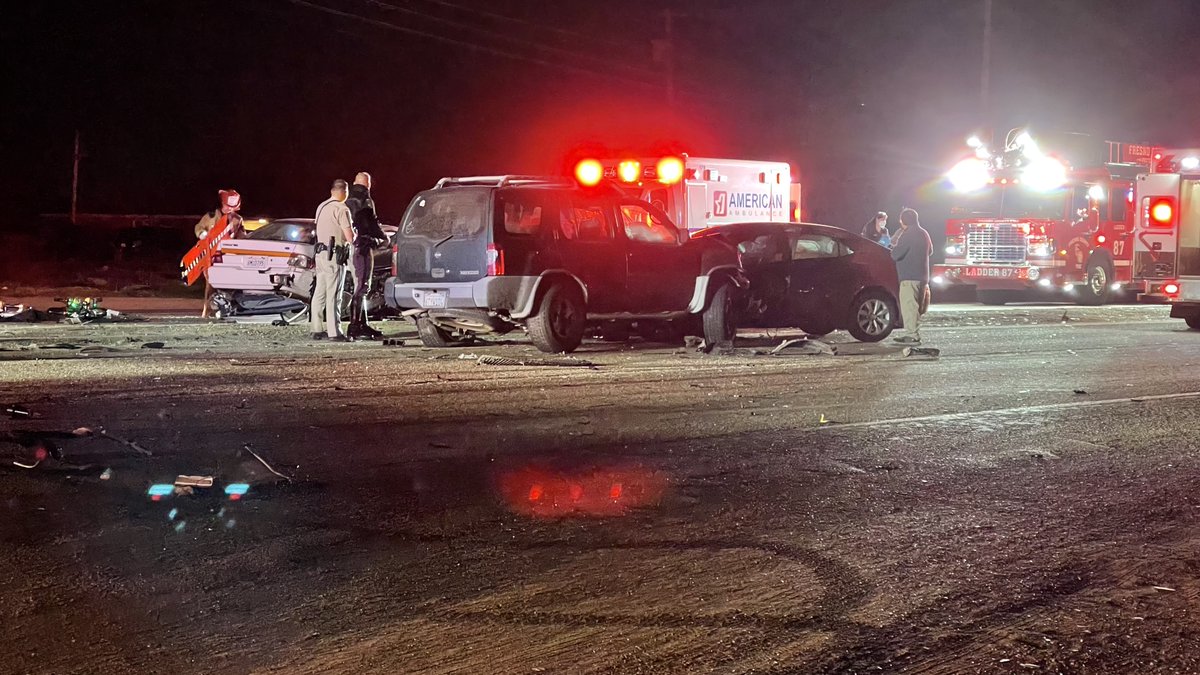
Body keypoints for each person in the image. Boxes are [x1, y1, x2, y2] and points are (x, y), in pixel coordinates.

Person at [343, 172, 387, 340]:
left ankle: (360, 324)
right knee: (362, 286)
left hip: (353, 247)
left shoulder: (347, 201)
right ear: (368, 185)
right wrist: (383, 238)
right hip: (362, 247)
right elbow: (372, 223)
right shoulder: (365, 202)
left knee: (359, 285)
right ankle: (355, 326)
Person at [311, 179, 354, 341]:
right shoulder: (342, 209)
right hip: (334, 254)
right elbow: (349, 236)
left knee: (319, 292)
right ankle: (334, 331)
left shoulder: (321, 207)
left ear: (331, 191)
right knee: (334, 293)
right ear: (345, 192)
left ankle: (316, 328)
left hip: (320, 254)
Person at [194, 189, 245, 318]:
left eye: (233, 207)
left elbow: (241, 235)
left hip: (228, 256)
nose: (229, 210)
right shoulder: (211, 217)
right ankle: (207, 311)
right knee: (211, 284)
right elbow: (199, 228)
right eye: (228, 206)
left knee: (229, 285)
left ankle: (225, 309)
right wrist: (202, 234)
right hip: (210, 256)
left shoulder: (237, 219)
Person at [890, 207, 932, 344]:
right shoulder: (923, 233)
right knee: (917, 307)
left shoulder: (907, 234)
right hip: (923, 276)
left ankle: (912, 335)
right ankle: (912, 333)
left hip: (909, 276)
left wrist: (894, 245)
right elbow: (930, 251)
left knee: (909, 306)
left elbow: (896, 254)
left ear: (903, 221)